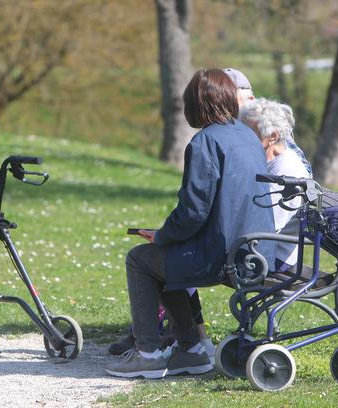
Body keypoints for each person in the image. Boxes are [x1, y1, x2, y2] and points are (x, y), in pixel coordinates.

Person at [105, 68, 275, 379]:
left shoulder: (204, 142)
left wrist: (161, 235)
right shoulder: (248, 138)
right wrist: (169, 237)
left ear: (195, 104)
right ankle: (192, 351)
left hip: (225, 257)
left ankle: (148, 353)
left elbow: (194, 211)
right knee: (167, 260)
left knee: (140, 260)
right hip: (258, 253)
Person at [239, 98, 311, 270]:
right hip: (255, 246)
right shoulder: (264, 160)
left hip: (271, 256)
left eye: (249, 132)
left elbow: (268, 227)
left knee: (189, 257)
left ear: (272, 136)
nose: (242, 139)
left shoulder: (287, 171)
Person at [223, 68, 313, 177]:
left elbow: (305, 182)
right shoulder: (222, 133)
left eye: (229, 103)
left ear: (250, 100)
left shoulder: (270, 128)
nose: (224, 111)